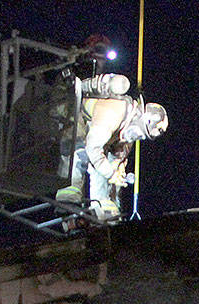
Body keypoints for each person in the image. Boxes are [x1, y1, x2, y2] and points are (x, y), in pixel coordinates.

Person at [57, 73, 168, 220]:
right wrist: (111, 173)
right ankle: (71, 190)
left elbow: (118, 155)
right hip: (77, 116)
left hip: (97, 131)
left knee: (106, 165)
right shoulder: (113, 113)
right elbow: (93, 148)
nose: (138, 137)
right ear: (139, 118)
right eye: (140, 133)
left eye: (142, 137)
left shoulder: (130, 127)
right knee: (81, 151)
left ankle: (102, 207)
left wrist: (117, 169)